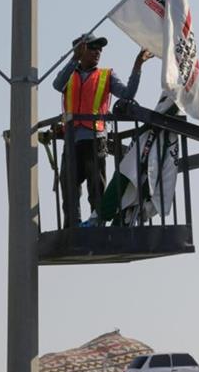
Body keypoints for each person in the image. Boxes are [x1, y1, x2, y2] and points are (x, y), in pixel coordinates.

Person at [52, 33, 153, 227]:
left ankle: (96, 223)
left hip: (95, 138)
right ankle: (72, 226)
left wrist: (137, 66)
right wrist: (74, 58)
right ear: (80, 51)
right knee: (69, 186)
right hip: (72, 139)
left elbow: (127, 94)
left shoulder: (106, 75)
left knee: (96, 186)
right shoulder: (69, 75)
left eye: (100, 49)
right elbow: (57, 85)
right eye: (93, 48)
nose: (98, 52)